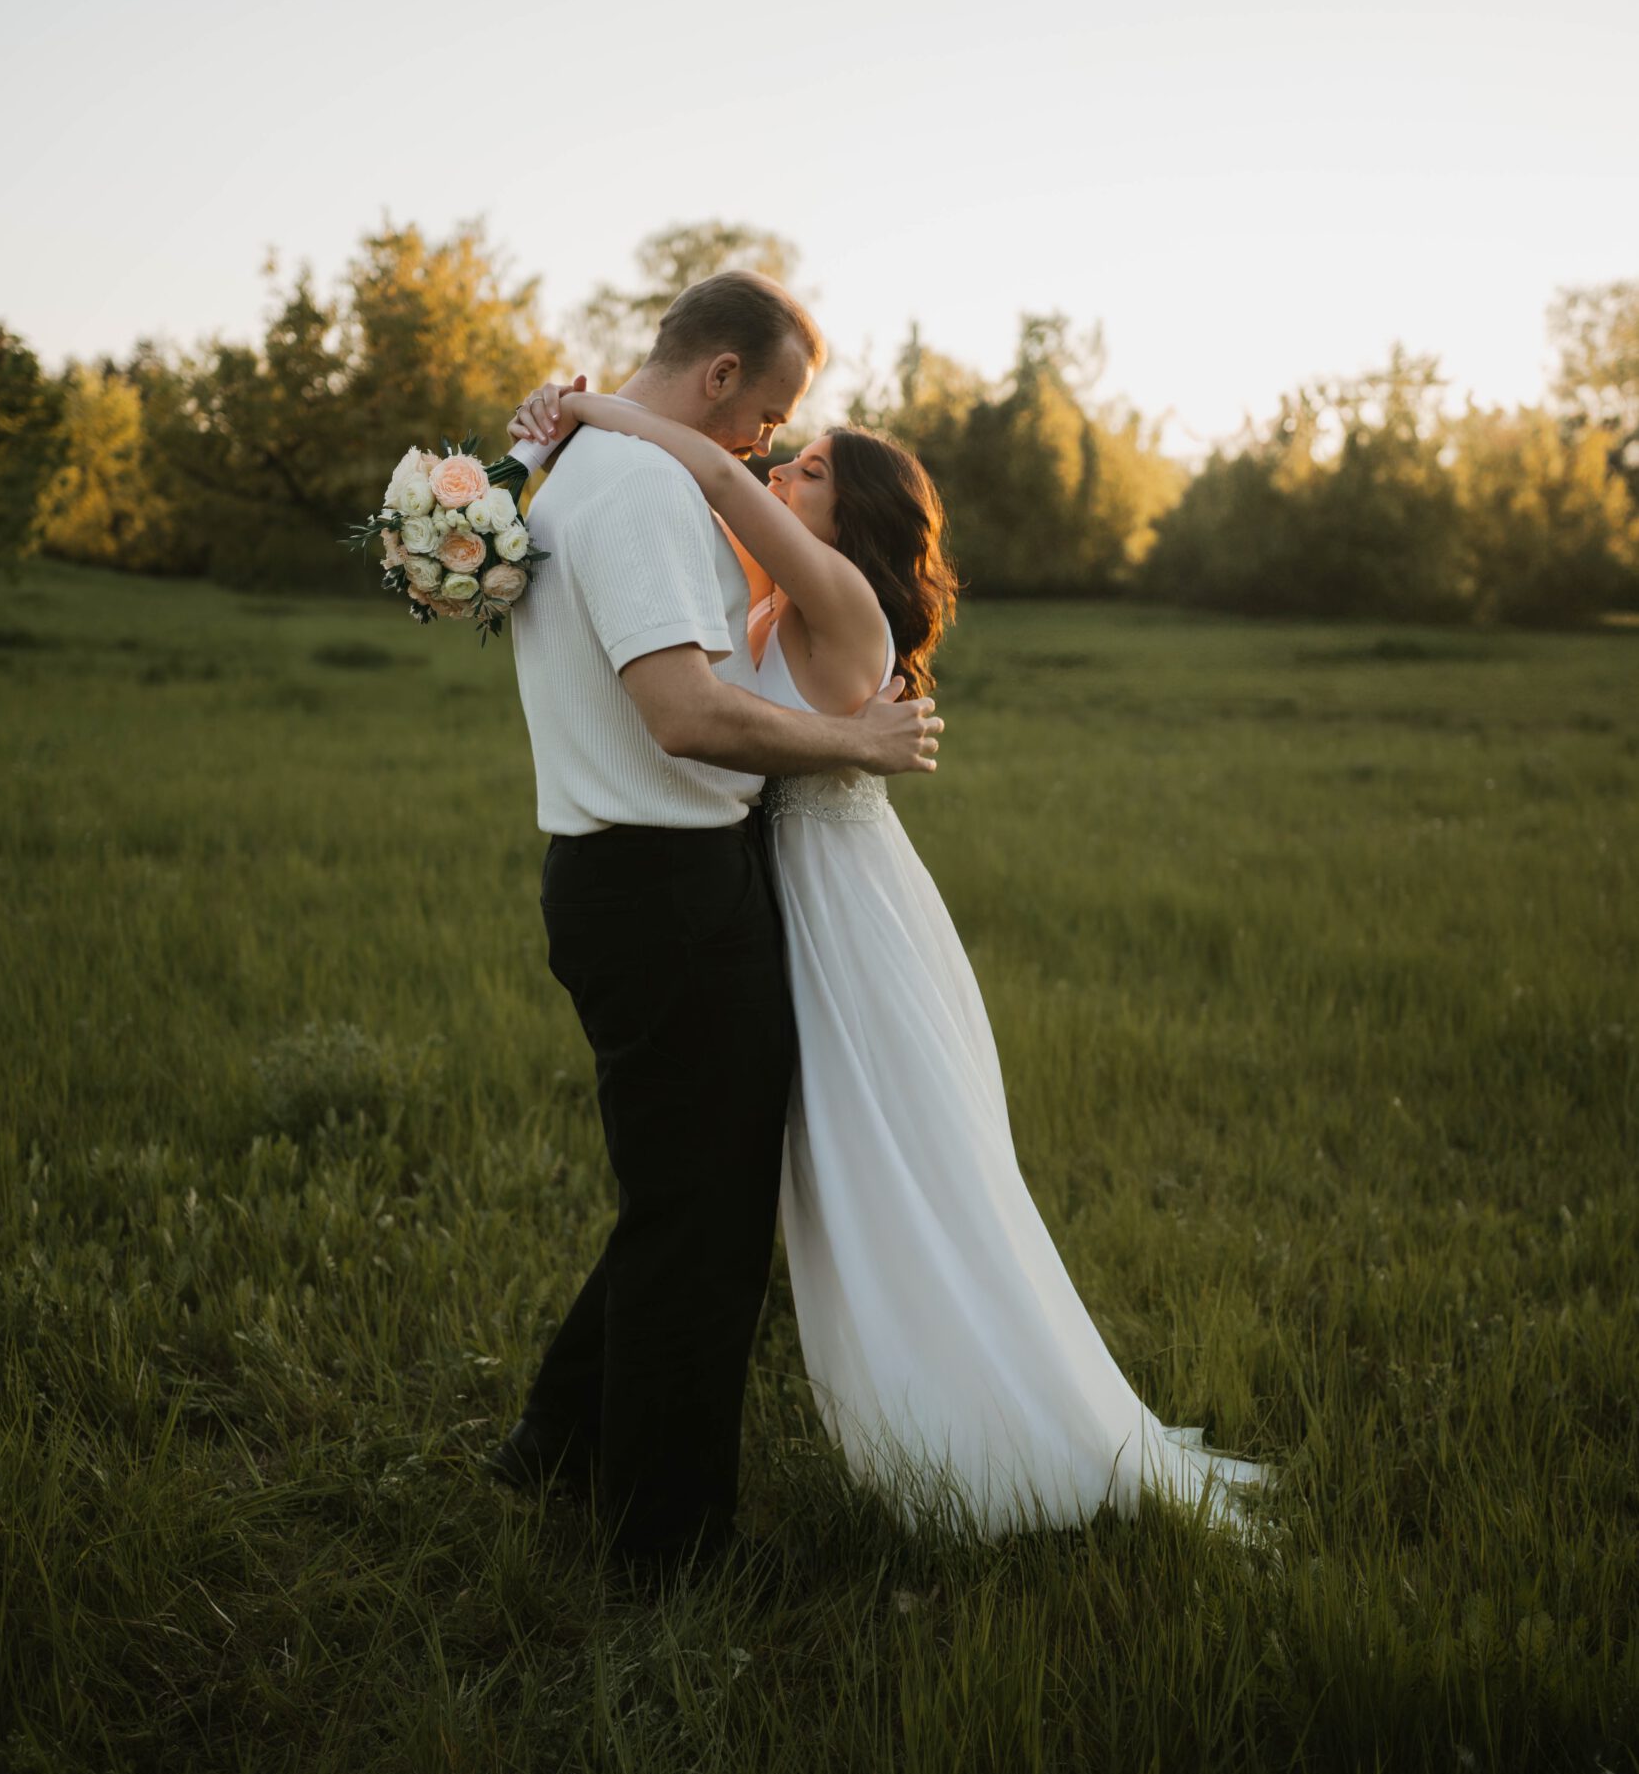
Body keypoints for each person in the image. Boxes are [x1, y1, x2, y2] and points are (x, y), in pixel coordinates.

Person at [510, 373, 1280, 1551]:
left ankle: (993, 1431)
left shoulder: (845, 601)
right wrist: (526, 472)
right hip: (769, 904)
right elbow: (661, 548)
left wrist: (596, 411)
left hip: (842, 921)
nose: (779, 469)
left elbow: (713, 472)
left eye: (809, 466)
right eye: (787, 454)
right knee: (709, 1188)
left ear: (859, 513)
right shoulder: (772, 595)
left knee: (889, 1176)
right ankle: (572, 1438)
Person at [488, 270, 944, 1602]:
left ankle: (552, 1445)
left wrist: (559, 424)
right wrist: (858, 740)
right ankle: (666, 1547)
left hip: (633, 877)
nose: (768, 445)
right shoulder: (628, 487)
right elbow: (683, 716)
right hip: (666, 889)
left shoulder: (579, 473)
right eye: (775, 417)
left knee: (680, 1197)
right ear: (722, 379)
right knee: (704, 1224)